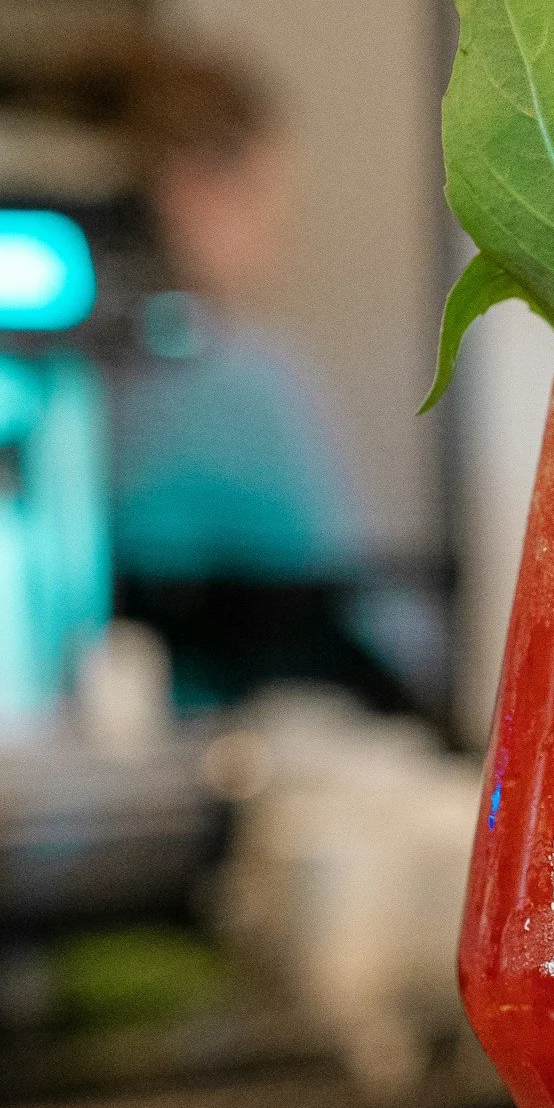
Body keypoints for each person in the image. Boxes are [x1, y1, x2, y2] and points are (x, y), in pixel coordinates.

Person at [93, 40, 409, 713]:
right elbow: (375, 626)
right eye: (266, 190)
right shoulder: (245, 381)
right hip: (237, 757)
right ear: (193, 189)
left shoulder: (38, 382)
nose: (283, 223)